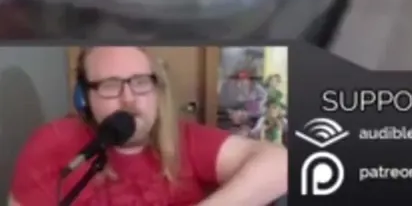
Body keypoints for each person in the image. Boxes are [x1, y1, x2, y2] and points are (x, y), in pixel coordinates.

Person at [6, 46, 287, 206]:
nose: (129, 99)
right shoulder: (53, 143)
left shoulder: (185, 139)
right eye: (110, 85)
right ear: (85, 98)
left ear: (156, 91)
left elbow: (282, 163)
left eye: (140, 82)